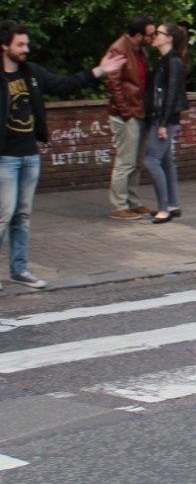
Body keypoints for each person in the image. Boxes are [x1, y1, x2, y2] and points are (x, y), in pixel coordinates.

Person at [1, 22, 125, 291]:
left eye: (26, 44)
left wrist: (99, 71)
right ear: (5, 46)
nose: (26, 49)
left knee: (22, 215)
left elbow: (64, 84)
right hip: (5, 158)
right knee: (4, 215)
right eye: (20, 44)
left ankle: (19, 269)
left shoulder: (31, 73)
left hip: (29, 155)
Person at [104, 15, 156, 220]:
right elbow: (113, 84)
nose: (153, 38)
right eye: (150, 34)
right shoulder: (119, 49)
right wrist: (125, 112)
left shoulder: (140, 50)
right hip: (127, 114)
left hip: (140, 111)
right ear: (138, 35)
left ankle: (133, 202)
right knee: (125, 161)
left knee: (136, 161)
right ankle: (118, 205)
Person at [143, 24, 188, 224]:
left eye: (159, 33)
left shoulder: (173, 62)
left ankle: (164, 209)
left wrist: (162, 123)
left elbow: (171, 96)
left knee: (151, 160)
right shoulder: (163, 61)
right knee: (166, 160)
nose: (154, 36)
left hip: (165, 118)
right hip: (161, 117)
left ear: (169, 38)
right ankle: (173, 204)